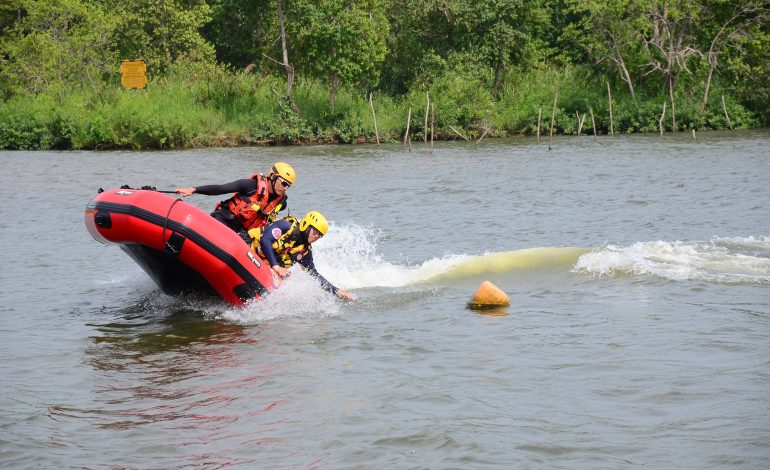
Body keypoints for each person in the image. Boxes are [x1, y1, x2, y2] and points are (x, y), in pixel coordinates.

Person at [250, 211, 355, 301]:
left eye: (320, 235)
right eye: (315, 232)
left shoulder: (304, 252)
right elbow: (265, 240)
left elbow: (314, 274)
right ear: (306, 225)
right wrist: (276, 267)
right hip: (249, 249)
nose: (316, 237)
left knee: (282, 280)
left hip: (264, 268)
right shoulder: (285, 226)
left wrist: (337, 291)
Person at [175, 162, 296, 238]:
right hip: (225, 219)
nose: (285, 188)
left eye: (288, 185)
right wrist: (194, 189)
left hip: (242, 233)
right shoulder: (250, 185)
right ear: (273, 177)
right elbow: (220, 189)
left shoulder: (281, 203)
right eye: (284, 183)